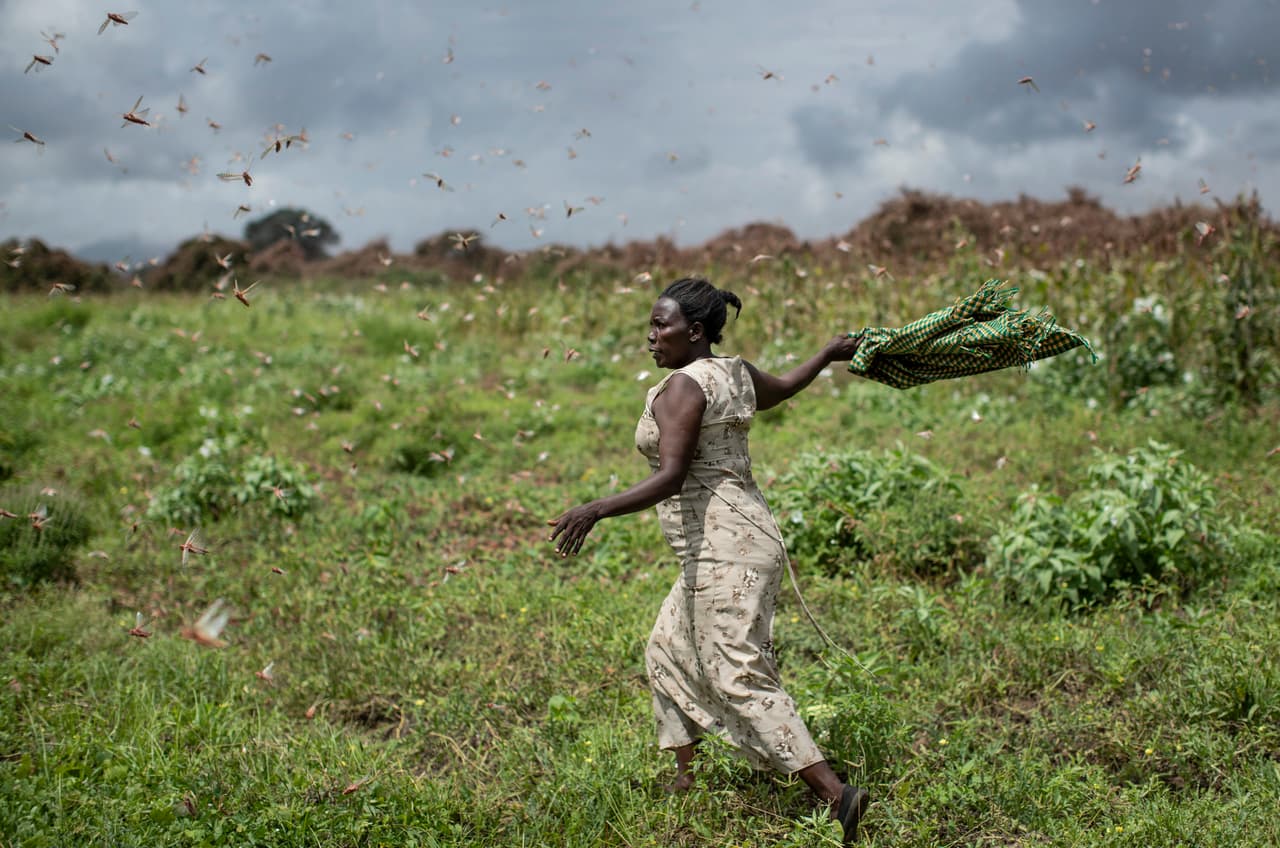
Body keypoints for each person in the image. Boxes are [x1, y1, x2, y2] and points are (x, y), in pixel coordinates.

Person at [548, 276, 869, 843]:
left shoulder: (683, 387)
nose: (650, 337)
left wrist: (595, 509)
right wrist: (827, 353)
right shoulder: (734, 374)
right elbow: (782, 388)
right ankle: (686, 781)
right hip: (740, 540)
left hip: (726, 548)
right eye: (650, 325)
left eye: (659, 325)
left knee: (734, 668)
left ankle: (835, 795)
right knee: (668, 650)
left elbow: (671, 477)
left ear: (693, 332)